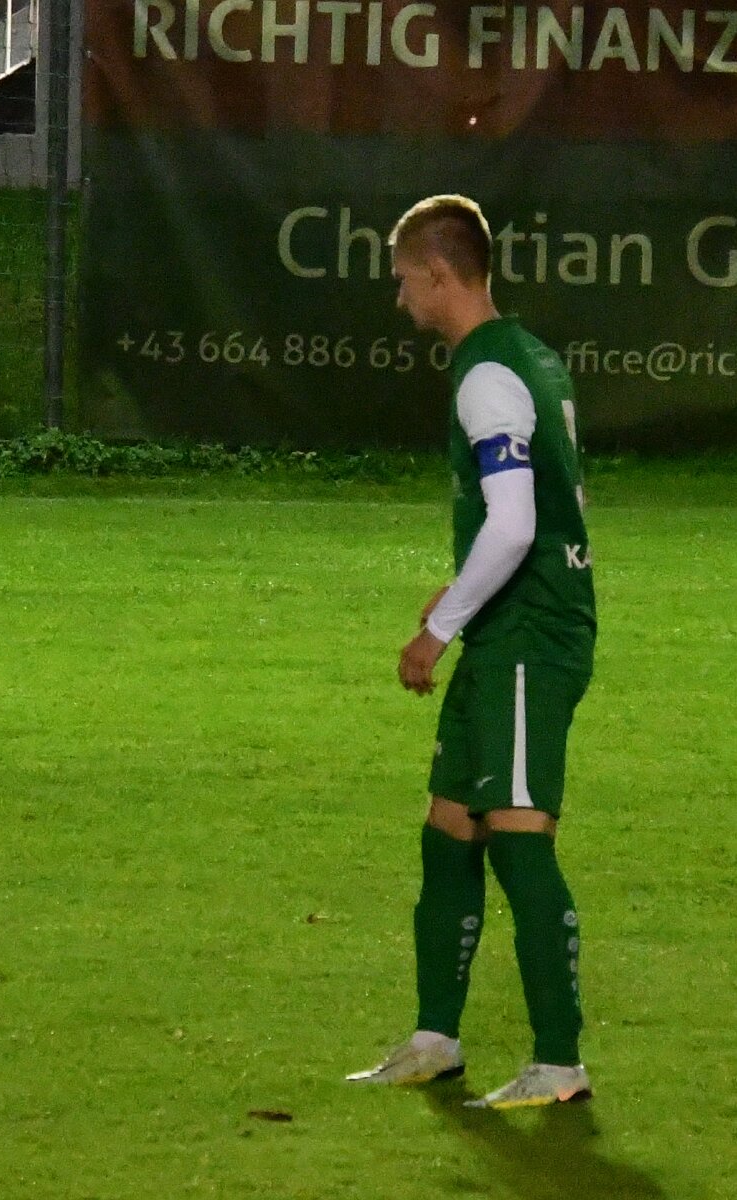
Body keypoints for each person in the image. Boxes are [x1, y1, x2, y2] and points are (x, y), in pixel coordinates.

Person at [346, 195, 596, 1108]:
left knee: (518, 837)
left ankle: (559, 1064)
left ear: (439, 272)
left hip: (528, 635)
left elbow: (516, 523)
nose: (399, 297)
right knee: (449, 827)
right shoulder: (526, 354)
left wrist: (437, 627)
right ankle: (433, 1041)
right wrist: (460, 595)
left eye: (402, 278)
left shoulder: (486, 374)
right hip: (506, 624)